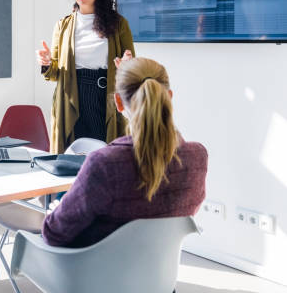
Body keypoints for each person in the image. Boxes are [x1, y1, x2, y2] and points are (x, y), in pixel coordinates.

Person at [42, 57, 208, 248]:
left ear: (118, 102)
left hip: (93, 273)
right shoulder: (197, 157)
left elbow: (54, 234)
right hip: (159, 274)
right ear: (169, 96)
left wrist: (55, 212)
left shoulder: (104, 164)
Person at [36, 0, 135, 153]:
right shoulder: (62, 26)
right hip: (71, 96)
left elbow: (132, 64)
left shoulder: (118, 24)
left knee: (104, 155)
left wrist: (126, 65)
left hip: (104, 96)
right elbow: (54, 73)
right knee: (73, 157)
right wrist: (47, 63)